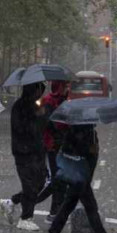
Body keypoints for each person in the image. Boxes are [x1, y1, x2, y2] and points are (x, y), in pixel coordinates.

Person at [43, 123, 117, 233]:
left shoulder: (77, 130)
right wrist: (91, 149)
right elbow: (83, 153)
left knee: (67, 208)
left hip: (77, 176)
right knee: (91, 208)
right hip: (80, 178)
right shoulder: (83, 131)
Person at [0, 82, 46, 231]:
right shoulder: (20, 106)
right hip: (24, 152)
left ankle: (11, 202)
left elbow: (40, 128)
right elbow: (22, 129)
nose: (41, 93)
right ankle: (26, 218)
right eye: (39, 89)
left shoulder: (34, 105)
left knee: (40, 182)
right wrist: (36, 117)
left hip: (37, 151)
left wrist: (41, 116)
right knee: (30, 185)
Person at [37, 80, 72, 220]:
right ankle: (25, 201)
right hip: (53, 145)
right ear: (59, 86)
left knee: (61, 181)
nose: (68, 88)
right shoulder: (48, 101)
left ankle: (54, 211)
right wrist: (60, 133)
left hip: (64, 145)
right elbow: (48, 122)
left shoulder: (68, 101)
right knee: (58, 180)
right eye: (66, 85)